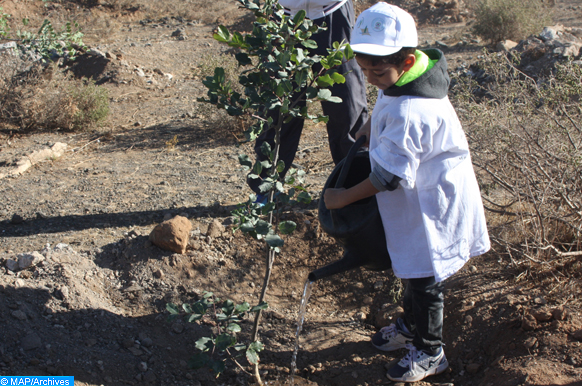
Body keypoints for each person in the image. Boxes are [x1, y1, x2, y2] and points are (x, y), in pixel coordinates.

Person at [323, 2, 490, 383]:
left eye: (377, 70)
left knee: (425, 278)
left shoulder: (411, 109)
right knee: (411, 270)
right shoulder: (405, 79)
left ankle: (431, 351)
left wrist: (341, 199)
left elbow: (387, 179)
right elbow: (389, 105)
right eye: (364, 71)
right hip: (420, 198)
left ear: (408, 58)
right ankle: (409, 326)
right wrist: (371, 129)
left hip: (431, 206)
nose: (372, 78)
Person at [248, 0, 369, 201]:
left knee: (348, 107)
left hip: (333, 11)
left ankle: (356, 191)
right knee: (278, 109)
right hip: (283, 15)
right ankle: (266, 190)